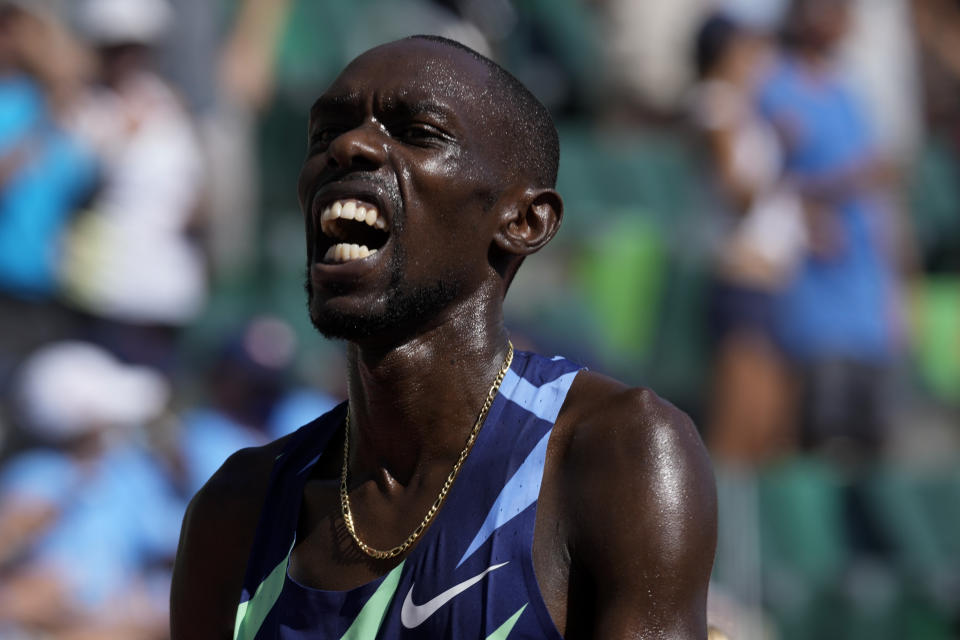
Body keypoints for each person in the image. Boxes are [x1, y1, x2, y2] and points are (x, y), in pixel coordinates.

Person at [171, 35, 717, 639]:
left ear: (523, 221)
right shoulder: (237, 509)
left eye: (417, 131)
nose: (349, 146)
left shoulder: (618, 452)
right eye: (326, 133)